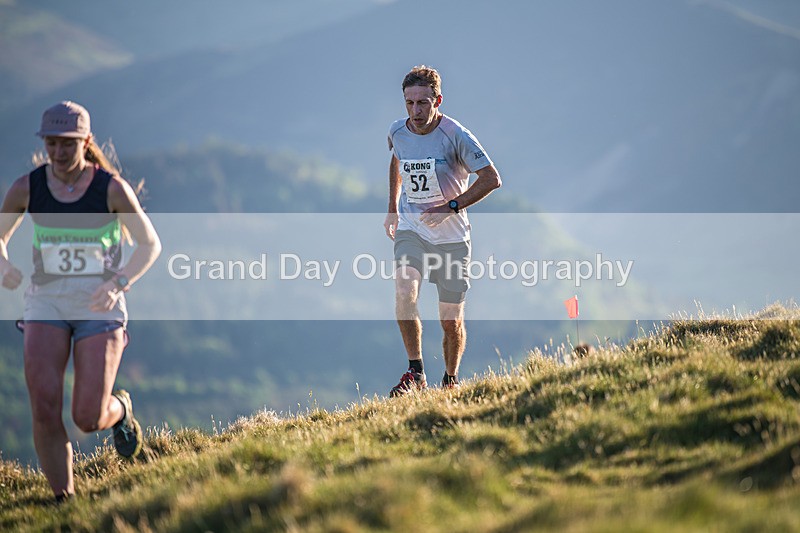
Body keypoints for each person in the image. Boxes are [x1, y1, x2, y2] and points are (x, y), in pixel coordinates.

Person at [0, 101, 162, 503]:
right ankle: (63, 498)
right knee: (44, 402)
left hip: (98, 305)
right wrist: (3, 266)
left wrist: (119, 281)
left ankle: (120, 409)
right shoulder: (27, 187)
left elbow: (149, 244)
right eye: (51, 144)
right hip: (46, 303)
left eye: (67, 145)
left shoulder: (110, 189)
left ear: (85, 143)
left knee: (87, 417)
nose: (57, 153)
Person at [383, 66, 502, 396]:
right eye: (409, 103)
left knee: (450, 321)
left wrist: (451, 206)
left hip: (451, 237)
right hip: (412, 229)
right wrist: (393, 207)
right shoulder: (398, 130)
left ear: (438, 100)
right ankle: (415, 372)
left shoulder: (456, 135)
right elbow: (397, 158)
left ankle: (450, 381)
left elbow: (491, 178)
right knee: (404, 290)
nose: (416, 111)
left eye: (423, 103)